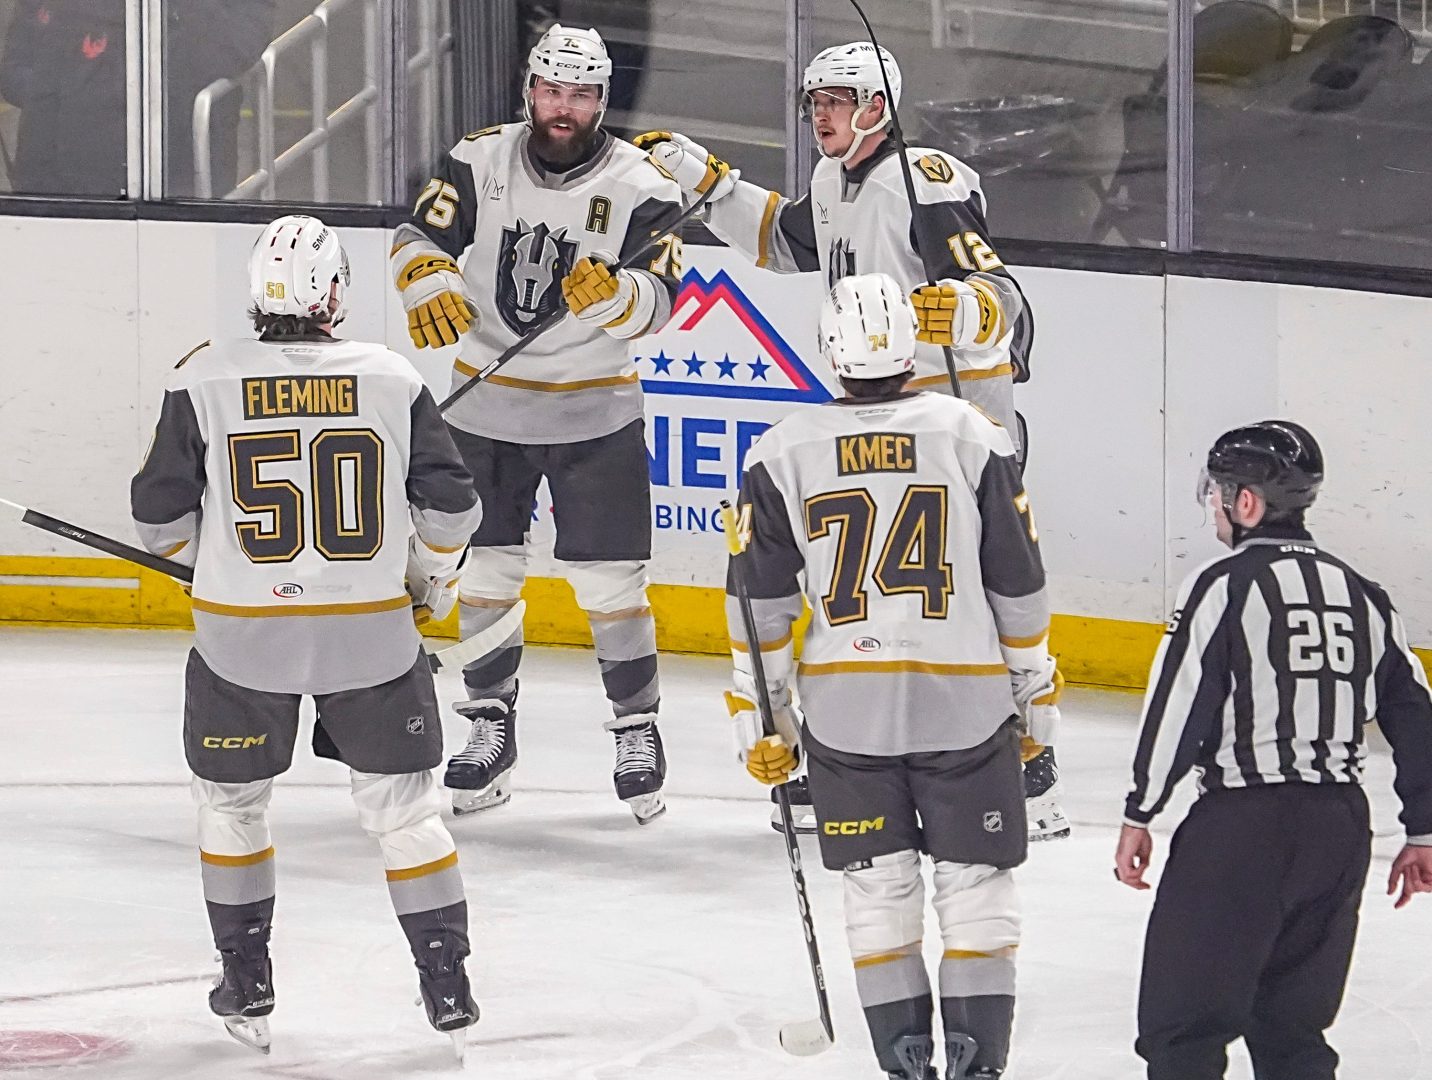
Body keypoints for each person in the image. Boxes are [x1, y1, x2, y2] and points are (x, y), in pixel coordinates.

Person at [635, 43, 1067, 842]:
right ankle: (867, 763)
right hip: (872, 419)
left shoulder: (924, 177)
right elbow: (784, 241)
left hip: (951, 425)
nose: (820, 116)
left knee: (972, 595)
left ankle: (1028, 763)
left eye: (836, 99)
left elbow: (1000, 292)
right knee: (882, 601)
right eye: (814, 102)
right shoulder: (833, 183)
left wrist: (968, 314)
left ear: (877, 105)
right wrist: (709, 183)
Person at [130, 215, 483, 1057]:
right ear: (333, 293)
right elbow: (455, 508)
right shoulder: (392, 377)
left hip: (242, 640)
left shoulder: (203, 377)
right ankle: (447, 983)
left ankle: (246, 977)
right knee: (405, 812)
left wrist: (204, 566)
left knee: (231, 804)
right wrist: (424, 578)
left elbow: (157, 518)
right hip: (371, 637)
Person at [725, 273, 1061, 1079]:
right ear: (911, 345)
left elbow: (759, 609)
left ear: (829, 350)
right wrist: (1035, 696)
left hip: (846, 717)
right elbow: (1017, 583)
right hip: (966, 703)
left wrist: (759, 721)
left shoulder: (780, 449)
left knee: (877, 892)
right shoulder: (973, 433)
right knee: (977, 886)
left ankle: (905, 1066)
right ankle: (977, 1068)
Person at [390, 23, 683, 825]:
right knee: (486, 575)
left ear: (602, 99)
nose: (566, 107)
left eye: (582, 94)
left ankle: (637, 729)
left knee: (611, 583)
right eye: (553, 90)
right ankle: (489, 727)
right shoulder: (477, 158)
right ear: (530, 89)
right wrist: (423, 281)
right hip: (488, 409)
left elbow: (663, 293)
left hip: (597, 410)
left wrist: (619, 301)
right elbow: (419, 234)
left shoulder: (639, 181)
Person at [1115, 420, 1432, 1080]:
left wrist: (1141, 810)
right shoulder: (1367, 595)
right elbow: (1415, 716)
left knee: (1184, 1032)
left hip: (1242, 830)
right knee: (1294, 1034)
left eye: (1222, 494)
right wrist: (1424, 828)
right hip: (1339, 831)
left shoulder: (1222, 584)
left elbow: (1180, 705)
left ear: (1248, 503)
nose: (1217, 507)